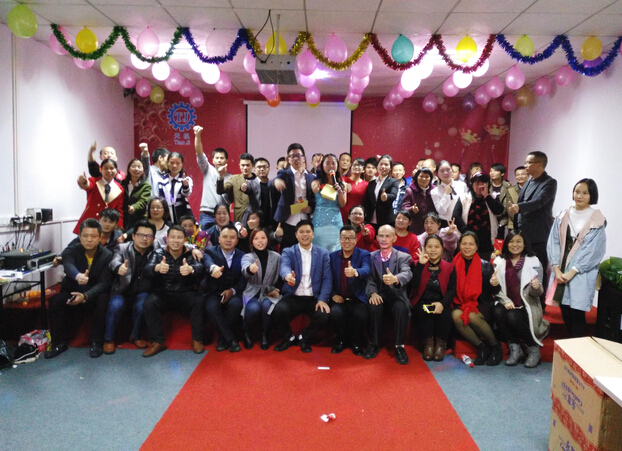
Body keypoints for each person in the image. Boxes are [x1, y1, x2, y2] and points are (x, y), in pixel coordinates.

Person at [45, 218, 114, 359]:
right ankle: (59, 343)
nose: (89, 240)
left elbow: (104, 283)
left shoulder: (107, 255)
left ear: (100, 237)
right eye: (85, 236)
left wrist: (86, 296)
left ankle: (96, 342)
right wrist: (77, 276)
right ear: (80, 236)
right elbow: (68, 265)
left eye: (93, 236)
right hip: (72, 291)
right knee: (55, 301)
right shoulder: (71, 250)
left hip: (93, 295)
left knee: (103, 299)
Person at [547, 178, 606, 338]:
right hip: (561, 268)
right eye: (577, 191)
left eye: (585, 193)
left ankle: (577, 345)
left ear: (592, 195)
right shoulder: (563, 215)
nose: (579, 196)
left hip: (580, 273)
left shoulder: (597, 220)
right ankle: (572, 343)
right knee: (564, 308)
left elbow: (594, 250)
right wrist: (556, 268)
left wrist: (572, 271)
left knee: (577, 312)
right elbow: (553, 242)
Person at [142, 225, 205, 357]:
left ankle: (197, 339)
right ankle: (158, 341)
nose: (176, 240)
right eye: (173, 237)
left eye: (179, 237)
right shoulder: (158, 253)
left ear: (184, 240)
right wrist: (156, 268)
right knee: (149, 303)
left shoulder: (191, 253)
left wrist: (191, 270)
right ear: (167, 238)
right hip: (163, 293)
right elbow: (146, 270)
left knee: (199, 301)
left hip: (185, 292)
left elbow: (200, 268)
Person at [491, 230, 550, 368]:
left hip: (528, 303)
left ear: (524, 244)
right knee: (497, 311)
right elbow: (496, 290)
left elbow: (538, 293)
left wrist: (536, 287)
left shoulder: (534, 262)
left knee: (512, 316)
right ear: (506, 244)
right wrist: (495, 287)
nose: (515, 245)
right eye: (511, 241)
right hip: (506, 301)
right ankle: (515, 348)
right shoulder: (499, 261)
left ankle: (533, 349)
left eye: (518, 241)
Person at [272, 220, 332, 353]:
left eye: (308, 232)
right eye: (301, 232)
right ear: (296, 235)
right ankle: (288, 338)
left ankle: (304, 338)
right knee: (278, 310)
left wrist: (322, 299)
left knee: (324, 315)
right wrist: (288, 276)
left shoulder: (323, 253)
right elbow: (284, 266)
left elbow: (327, 278)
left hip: (313, 297)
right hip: (294, 296)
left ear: (313, 234)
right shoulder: (288, 251)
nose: (305, 235)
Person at [509, 151, 557, 308]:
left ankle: (539, 305)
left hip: (538, 236)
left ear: (539, 164)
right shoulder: (529, 181)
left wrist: (519, 207)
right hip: (522, 235)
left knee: (538, 270)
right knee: (521, 270)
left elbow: (539, 202)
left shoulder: (549, 183)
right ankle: (522, 301)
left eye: (528, 162)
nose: (525, 165)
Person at [103, 220, 159, 354]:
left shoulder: (156, 247)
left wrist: (193, 249)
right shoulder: (122, 248)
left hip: (143, 291)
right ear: (133, 236)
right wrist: (119, 267)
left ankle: (135, 336)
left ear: (153, 238)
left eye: (148, 236)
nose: (144, 239)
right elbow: (114, 261)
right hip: (123, 290)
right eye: (141, 235)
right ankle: (108, 339)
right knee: (115, 306)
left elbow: (175, 244)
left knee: (142, 305)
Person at [364, 225, 413, 365]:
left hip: (396, 295)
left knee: (400, 308)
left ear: (394, 238)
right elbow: (369, 280)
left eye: (387, 236)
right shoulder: (370, 257)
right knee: (374, 305)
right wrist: (373, 293)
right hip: (379, 294)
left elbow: (407, 273)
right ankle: (374, 343)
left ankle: (399, 346)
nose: (384, 239)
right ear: (377, 238)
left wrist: (395, 278)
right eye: (381, 236)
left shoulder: (403, 256)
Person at [452, 232, 502, 366]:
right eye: (464, 243)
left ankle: (496, 346)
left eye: (471, 244)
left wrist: (494, 284)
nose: (467, 247)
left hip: (482, 303)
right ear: (459, 245)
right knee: (456, 316)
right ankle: (482, 347)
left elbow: (494, 292)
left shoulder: (485, 265)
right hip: (460, 302)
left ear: (476, 247)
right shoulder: (453, 264)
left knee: (471, 315)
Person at [411, 235, 456, 361]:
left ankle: (441, 345)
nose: (433, 250)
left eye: (437, 247)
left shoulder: (450, 267)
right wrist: (420, 265)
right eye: (429, 247)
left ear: (442, 249)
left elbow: (452, 290)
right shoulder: (416, 264)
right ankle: (428, 344)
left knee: (445, 314)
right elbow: (413, 285)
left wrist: (442, 303)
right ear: (425, 248)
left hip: (442, 301)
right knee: (423, 311)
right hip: (422, 301)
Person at [203, 223, 246, 352]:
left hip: (233, 292)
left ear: (237, 241)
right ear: (219, 239)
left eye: (232, 237)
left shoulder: (243, 256)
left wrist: (232, 291)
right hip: (213, 292)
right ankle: (230, 340)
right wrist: (213, 268)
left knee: (236, 305)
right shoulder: (210, 251)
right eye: (225, 236)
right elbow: (207, 262)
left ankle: (222, 339)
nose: (228, 240)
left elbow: (243, 280)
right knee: (211, 307)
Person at [329, 225, 371, 355]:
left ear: (356, 240)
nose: (347, 241)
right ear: (340, 240)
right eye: (344, 238)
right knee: (335, 313)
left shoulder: (364, 254)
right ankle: (340, 341)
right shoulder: (332, 256)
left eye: (350, 238)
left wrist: (355, 272)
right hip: (339, 297)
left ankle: (357, 343)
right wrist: (333, 294)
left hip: (357, 298)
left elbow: (366, 269)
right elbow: (327, 278)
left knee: (361, 314)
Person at [240, 228, 282, 350]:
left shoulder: (277, 257)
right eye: (256, 238)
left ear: (268, 240)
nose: (260, 241)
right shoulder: (247, 256)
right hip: (252, 291)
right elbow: (245, 270)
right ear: (251, 242)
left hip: (270, 291)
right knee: (254, 308)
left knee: (266, 306)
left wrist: (277, 289)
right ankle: (246, 332)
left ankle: (265, 334)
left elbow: (282, 276)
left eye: (263, 238)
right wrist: (250, 269)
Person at [272, 144, 316, 250]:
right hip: (288, 219)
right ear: (288, 159)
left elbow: (313, 198)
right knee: (288, 250)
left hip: (305, 218)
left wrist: (310, 208)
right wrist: (276, 182)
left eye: (298, 155)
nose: (296, 158)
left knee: (305, 249)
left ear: (304, 158)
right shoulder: (284, 173)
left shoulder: (311, 177)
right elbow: (272, 182)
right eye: (292, 156)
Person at [453, 171, 504, 262]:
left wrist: (486, 196)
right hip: (468, 238)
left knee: (484, 265)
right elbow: (455, 216)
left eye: (483, 183)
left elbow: (499, 211)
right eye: (477, 183)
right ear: (472, 185)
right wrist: (466, 232)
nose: (480, 186)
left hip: (486, 240)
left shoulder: (492, 197)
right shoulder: (464, 198)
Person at [194, 125, 231, 230]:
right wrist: (197, 135)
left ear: (226, 160)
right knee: (202, 240)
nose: (219, 160)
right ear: (213, 160)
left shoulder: (232, 178)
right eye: (217, 158)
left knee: (224, 239)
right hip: (206, 214)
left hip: (223, 215)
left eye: (222, 158)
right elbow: (199, 152)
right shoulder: (208, 169)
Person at [74, 158, 124, 234]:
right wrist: (83, 182)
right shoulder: (94, 181)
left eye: (112, 168)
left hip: (106, 225)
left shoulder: (120, 188)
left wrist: (119, 226)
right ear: (101, 170)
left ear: (116, 170)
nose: (109, 171)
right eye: (105, 168)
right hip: (89, 222)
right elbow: (88, 186)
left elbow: (119, 209)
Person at [311, 154, 346, 253]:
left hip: (335, 223)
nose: (331, 166)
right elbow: (314, 190)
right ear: (322, 166)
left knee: (335, 251)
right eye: (327, 163)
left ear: (337, 165)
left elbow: (342, 204)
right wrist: (315, 189)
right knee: (318, 251)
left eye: (333, 163)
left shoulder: (342, 184)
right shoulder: (316, 182)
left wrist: (340, 192)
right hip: (319, 222)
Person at [218, 153, 260, 223]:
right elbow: (220, 191)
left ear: (252, 166)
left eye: (247, 165)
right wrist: (221, 177)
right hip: (240, 217)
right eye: (243, 165)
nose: (245, 168)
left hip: (255, 216)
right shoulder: (235, 179)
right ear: (239, 166)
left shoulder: (258, 180)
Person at [157, 152, 193, 224]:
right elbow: (160, 198)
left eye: (178, 163)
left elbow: (187, 193)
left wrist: (185, 185)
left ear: (182, 164)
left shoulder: (186, 179)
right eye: (172, 163)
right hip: (166, 214)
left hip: (183, 213)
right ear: (167, 163)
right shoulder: (162, 180)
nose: (174, 166)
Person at [364, 155, 398, 230]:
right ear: (377, 166)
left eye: (386, 164)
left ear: (390, 168)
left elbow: (393, 195)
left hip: (386, 220)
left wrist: (386, 197)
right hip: (370, 220)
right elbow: (367, 201)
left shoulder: (393, 181)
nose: (383, 166)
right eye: (381, 164)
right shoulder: (372, 183)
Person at [431, 160, 468, 227]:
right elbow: (441, 211)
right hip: (445, 223)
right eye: (442, 171)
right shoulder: (435, 191)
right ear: (437, 173)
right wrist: (446, 195)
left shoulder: (462, 185)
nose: (445, 173)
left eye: (448, 170)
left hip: (462, 221)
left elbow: (466, 204)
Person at [402, 167, 436, 235]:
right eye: (421, 176)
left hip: (430, 225)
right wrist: (412, 209)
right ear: (416, 177)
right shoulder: (410, 191)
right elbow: (404, 208)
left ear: (430, 178)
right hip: (415, 226)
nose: (424, 179)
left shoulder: (434, 191)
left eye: (427, 177)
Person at [121, 158, 151, 231]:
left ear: (143, 170)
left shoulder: (146, 185)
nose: (136, 169)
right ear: (129, 169)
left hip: (138, 218)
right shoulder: (122, 183)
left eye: (139, 167)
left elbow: (143, 201)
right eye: (134, 166)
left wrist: (134, 207)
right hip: (123, 218)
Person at [254, 157, 280, 229]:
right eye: (259, 167)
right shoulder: (251, 185)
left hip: (272, 224)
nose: (262, 169)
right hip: (256, 223)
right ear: (254, 169)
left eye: (264, 167)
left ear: (269, 169)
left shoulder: (274, 185)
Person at [489, 163, 513, 238]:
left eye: (495, 171)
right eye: (491, 171)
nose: (492, 173)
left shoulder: (508, 187)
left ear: (502, 173)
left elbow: (508, 205)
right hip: (488, 218)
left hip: (502, 220)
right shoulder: (486, 185)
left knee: (499, 243)